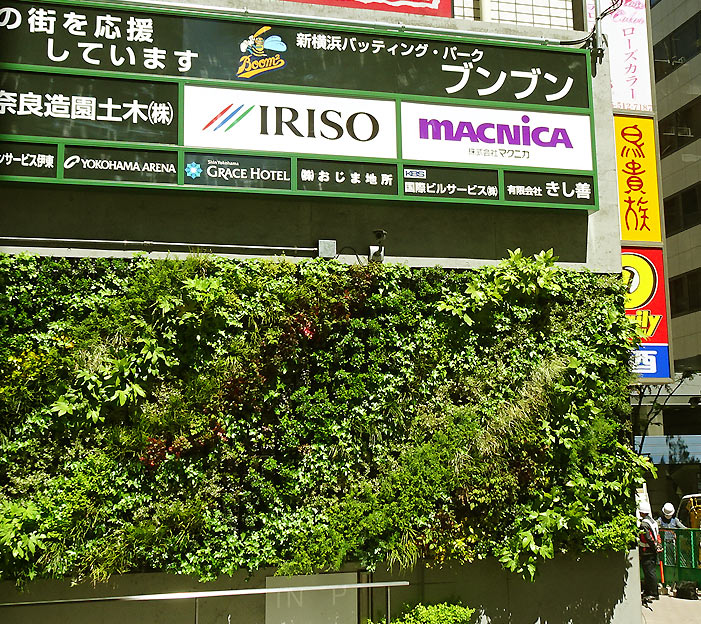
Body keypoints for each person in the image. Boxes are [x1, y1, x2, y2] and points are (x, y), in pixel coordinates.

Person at [638, 501, 661, 600]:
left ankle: (653, 593)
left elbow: (648, 538)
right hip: (652, 550)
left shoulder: (644, 524)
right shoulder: (653, 522)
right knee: (650, 572)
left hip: (647, 550)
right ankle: (649, 591)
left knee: (649, 572)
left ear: (642, 512)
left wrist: (653, 547)